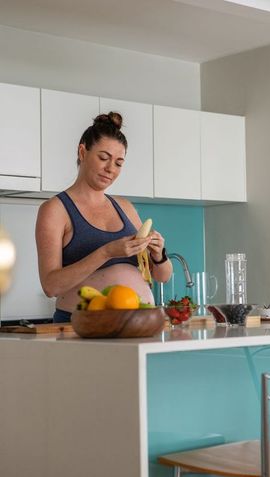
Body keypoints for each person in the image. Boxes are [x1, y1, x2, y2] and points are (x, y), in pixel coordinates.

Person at [35, 112, 173, 322]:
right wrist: (107, 252)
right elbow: (50, 286)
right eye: (103, 158)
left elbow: (162, 276)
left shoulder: (124, 207)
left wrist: (159, 254)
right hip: (80, 327)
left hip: (138, 325)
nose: (110, 169)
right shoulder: (55, 209)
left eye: (118, 163)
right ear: (82, 151)